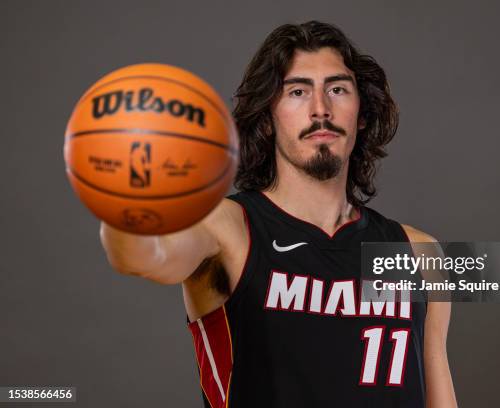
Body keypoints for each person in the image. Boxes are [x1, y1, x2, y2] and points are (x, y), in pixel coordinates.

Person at [100, 21, 457, 408]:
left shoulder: (419, 253)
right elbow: (140, 255)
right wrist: (124, 186)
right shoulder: (228, 228)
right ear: (268, 119)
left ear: (363, 113)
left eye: (337, 89)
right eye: (298, 92)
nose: (321, 109)